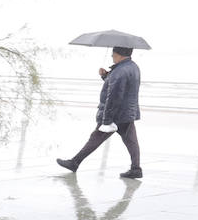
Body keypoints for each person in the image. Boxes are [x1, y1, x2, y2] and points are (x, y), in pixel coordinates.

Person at [56, 47, 142, 179]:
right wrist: (106, 76)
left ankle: (74, 163)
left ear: (119, 55)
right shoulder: (133, 67)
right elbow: (121, 86)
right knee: (131, 141)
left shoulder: (120, 71)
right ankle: (136, 168)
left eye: (113, 55)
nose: (112, 57)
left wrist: (106, 120)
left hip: (116, 114)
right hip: (127, 112)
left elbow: (114, 96)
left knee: (95, 138)